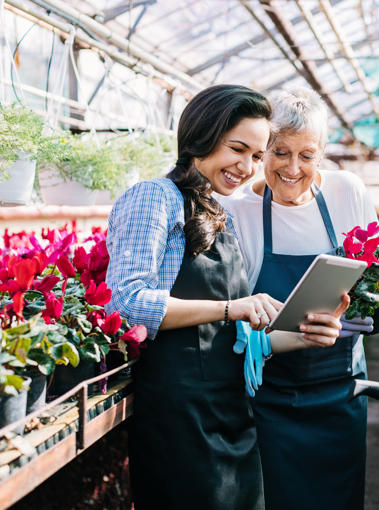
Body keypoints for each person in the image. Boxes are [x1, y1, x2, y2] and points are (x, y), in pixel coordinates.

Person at [105, 84, 347, 510]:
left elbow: (234, 341)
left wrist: (306, 334)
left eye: (256, 156)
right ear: (203, 135)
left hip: (232, 412)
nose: (247, 167)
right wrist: (229, 307)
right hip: (180, 417)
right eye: (238, 148)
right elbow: (125, 301)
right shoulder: (155, 198)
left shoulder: (219, 212)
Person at [220, 87, 379, 510]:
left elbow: (378, 274)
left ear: (323, 154)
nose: (292, 168)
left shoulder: (347, 192)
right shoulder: (236, 210)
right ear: (261, 153)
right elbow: (231, 314)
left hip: (341, 390)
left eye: (306, 156)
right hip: (270, 398)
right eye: (279, 152)